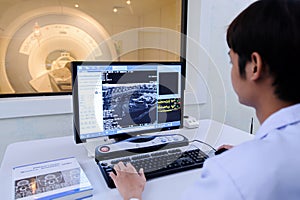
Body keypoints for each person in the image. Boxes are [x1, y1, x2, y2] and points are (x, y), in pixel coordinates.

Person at [109, 0, 300, 199]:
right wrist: (253, 154)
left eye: (231, 60)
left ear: (254, 66)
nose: (231, 69)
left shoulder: (233, 175)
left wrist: (132, 194)